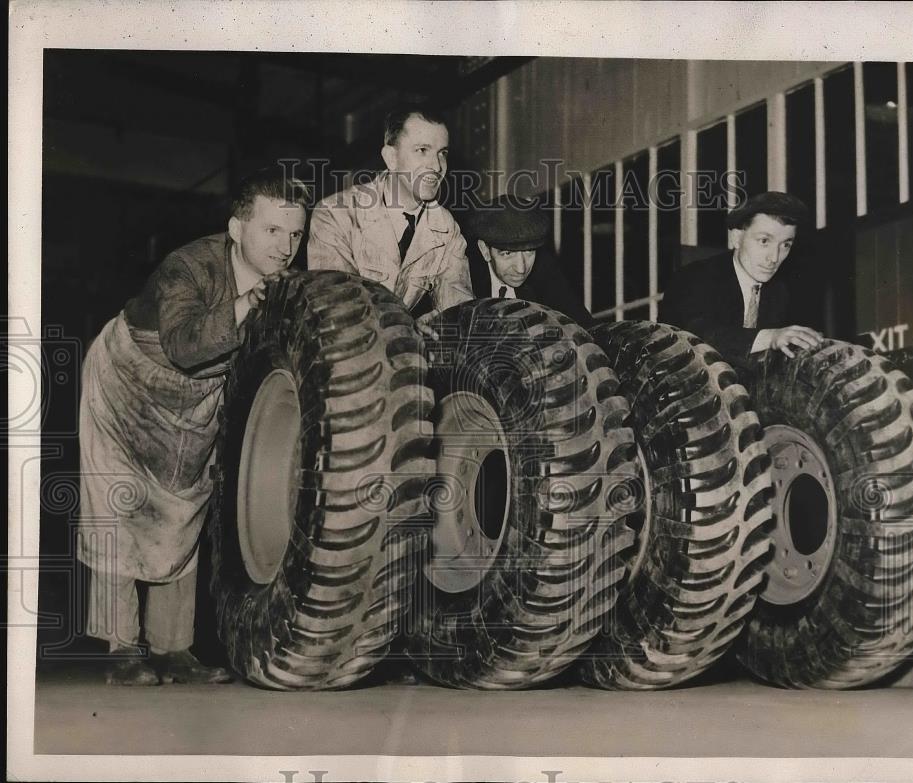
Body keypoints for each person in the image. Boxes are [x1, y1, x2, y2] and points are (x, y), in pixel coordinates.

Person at [77, 166, 310, 685]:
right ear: (236, 229)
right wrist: (247, 305)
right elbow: (183, 347)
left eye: (295, 233)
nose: (286, 246)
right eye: (272, 230)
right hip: (126, 384)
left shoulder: (285, 278)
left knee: (185, 507)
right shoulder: (187, 268)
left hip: (194, 402)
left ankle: (174, 649)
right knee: (120, 506)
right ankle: (121, 649)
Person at [307, 106, 474, 337]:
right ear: (391, 158)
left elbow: (459, 310)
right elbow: (340, 308)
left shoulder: (446, 228)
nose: (436, 167)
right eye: (422, 150)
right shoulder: (335, 214)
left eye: (442, 153)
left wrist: (441, 326)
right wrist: (407, 326)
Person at [662, 191, 823, 370]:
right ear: (736, 238)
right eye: (764, 241)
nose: (774, 257)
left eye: (785, 245)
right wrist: (770, 337)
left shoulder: (778, 292)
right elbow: (698, 337)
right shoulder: (694, 277)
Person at [464, 193, 593, 327]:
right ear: (485, 250)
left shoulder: (543, 267)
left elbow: (584, 326)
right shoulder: (464, 277)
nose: (521, 268)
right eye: (508, 254)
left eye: (529, 252)